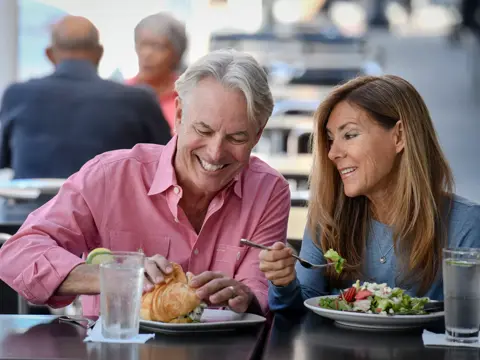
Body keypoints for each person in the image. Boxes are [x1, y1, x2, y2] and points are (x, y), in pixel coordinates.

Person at [0, 49, 290, 316]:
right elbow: (17, 253)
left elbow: (259, 290)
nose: (215, 152)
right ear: (178, 115)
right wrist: (115, 275)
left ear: (258, 134)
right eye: (203, 130)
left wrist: (246, 297)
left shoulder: (269, 191)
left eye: (237, 137)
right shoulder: (112, 176)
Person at [259, 75, 480, 311]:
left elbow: (468, 323)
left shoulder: (466, 226)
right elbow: (299, 308)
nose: (333, 153)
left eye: (350, 135)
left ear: (400, 136)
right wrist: (283, 281)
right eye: (331, 139)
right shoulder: (328, 218)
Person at [0, 15, 171, 179]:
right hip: (107, 209)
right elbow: (167, 162)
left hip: (31, 208)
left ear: (50, 54)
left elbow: (3, 158)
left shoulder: (17, 95)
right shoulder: (139, 100)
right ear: (99, 54)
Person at [127, 12, 188, 132]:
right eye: (142, 45)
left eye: (158, 47)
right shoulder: (122, 94)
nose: (147, 54)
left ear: (176, 55)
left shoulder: (187, 98)